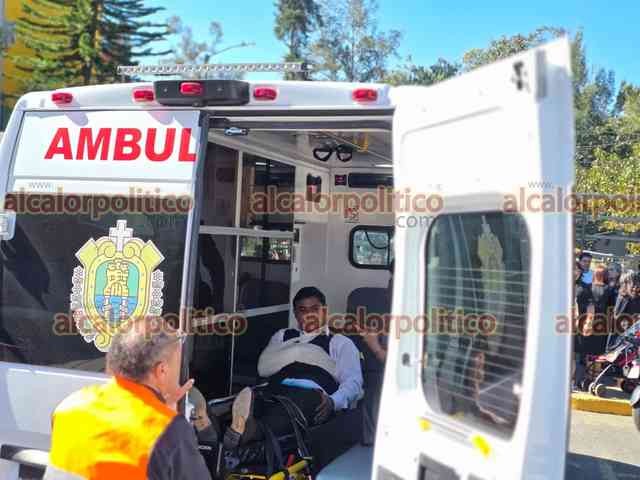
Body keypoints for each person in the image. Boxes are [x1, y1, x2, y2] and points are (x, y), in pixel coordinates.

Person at [44, 317, 211, 480]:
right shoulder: (168, 429)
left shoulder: (68, 407)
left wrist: (160, 407)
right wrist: (164, 415)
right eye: (177, 365)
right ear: (161, 371)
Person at [223, 287, 363, 448]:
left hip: (313, 395)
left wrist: (333, 402)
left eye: (315, 309)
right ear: (296, 314)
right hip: (275, 390)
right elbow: (265, 367)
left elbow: (353, 382)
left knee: (294, 407)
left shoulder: (339, 342)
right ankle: (215, 427)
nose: (309, 315)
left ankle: (253, 431)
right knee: (248, 404)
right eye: (303, 310)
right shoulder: (282, 336)